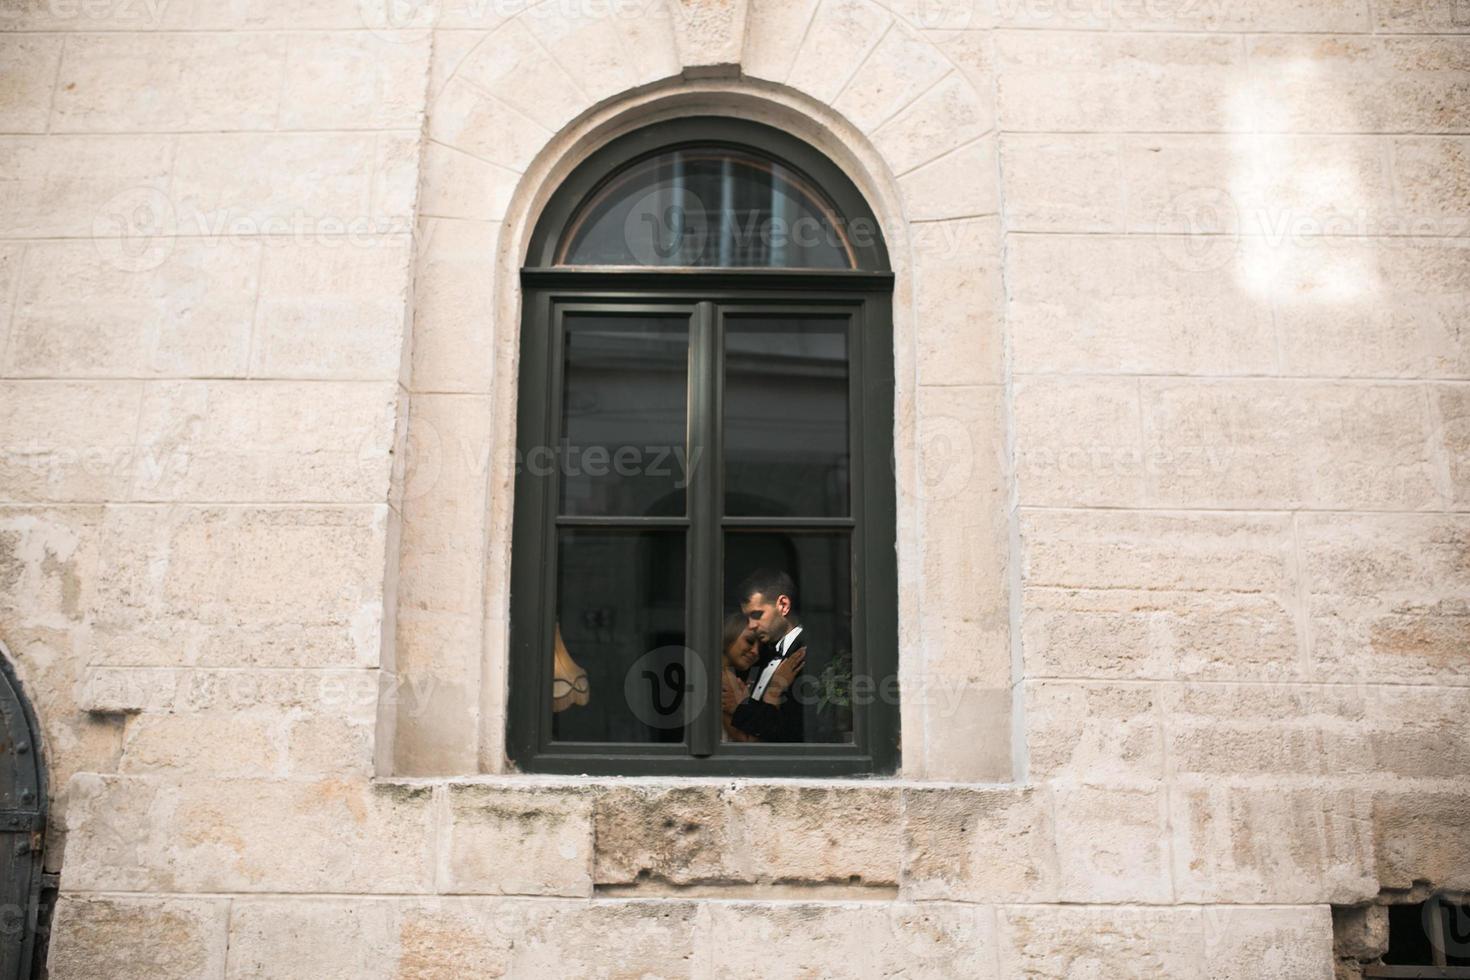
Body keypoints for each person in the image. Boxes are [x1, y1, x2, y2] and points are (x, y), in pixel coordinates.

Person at [730, 569, 810, 742]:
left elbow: (794, 732)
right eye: (747, 618)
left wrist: (740, 705)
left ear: (783, 605)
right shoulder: (762, 657)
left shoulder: (808, 654)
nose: (750, 626)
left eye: (757, 615)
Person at [719, 612, 759, 743]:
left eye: (761, 648)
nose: (755, 652)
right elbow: (746, 742)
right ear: (730, 634)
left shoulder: (706, 672)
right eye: (750, 641)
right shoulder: (726, 679)